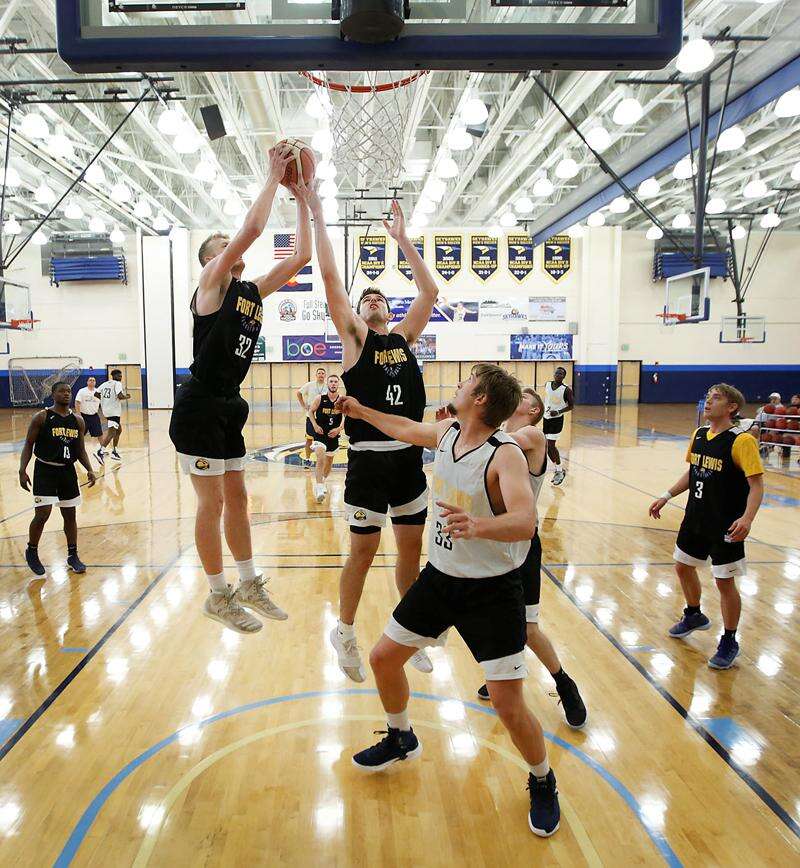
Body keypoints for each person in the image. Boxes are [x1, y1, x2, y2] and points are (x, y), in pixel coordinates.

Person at [339, 364, 561, 838]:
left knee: (508, 706)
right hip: (440, 579)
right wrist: (359, 410)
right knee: (383, 658)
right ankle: (401, 736)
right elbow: (403, 427)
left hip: (492, 592)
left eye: (465, 384)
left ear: (480, 399)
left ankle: (543, 779)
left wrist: (479, 526)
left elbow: (526, 521)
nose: (456, 387)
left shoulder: (505, 456)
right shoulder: (447, 433)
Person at [296, 184, 438, 681]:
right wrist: (316, 211)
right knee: (363, 550)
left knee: (410, 554)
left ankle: (410, 631)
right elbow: (332, 277)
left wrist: (403, 240)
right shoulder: (355, 340)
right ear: (358, 313)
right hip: (370, 461)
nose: (374, 300)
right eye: (367, 298)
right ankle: (346, 630)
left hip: (409, 461)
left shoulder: (403, 338)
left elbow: (430, 292)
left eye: (380, 296)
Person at [168, 145, 308, 634]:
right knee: (213, 504)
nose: (235, 252)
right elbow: (250, 231)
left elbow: (302, 257)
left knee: (240, 500)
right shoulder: (210, 286)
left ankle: (248, 582)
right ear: (211, 260)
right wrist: (272, 177)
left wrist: (305, 199)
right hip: (200, 404)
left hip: (230, 403)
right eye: (223, 248)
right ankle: (217, 594)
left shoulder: (250, 293)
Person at [471, 388, 587, 728]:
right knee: (496, 621)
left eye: (522, 395)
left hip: (521, 544)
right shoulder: (498, 434)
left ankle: (565, 684)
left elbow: (491, 445)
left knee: (527, 628)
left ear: (533, 409)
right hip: (493, 542)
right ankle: (502, 675)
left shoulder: (530, 436)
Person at [649, 384, 764, 670]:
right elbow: (693, 471)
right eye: (708, 398)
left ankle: (729, 640)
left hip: (726, 523)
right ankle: (694, 614)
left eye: (716, 399)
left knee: (724, 582)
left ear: (732, 408)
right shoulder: (699, 435)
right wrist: (666, 496)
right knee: (682, 566)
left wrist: (747, 519)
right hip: (695, 517)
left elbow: (757, 485)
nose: (708, 403)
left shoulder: (741, 441)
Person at [19, 382, 97, 578]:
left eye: (68, 391)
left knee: (70, 515)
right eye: (62, 391)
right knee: (42, 514)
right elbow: (28, 444)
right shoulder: (42, 417)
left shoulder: (77, 420)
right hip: (45, 470)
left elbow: (80, 450)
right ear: (53, 394)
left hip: (67, 471)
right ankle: (32, 550)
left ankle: (72, 555)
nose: (66, 394)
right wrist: (22, 469)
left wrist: (89, 469)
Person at [308, 373, 344, 503]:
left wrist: (339, 429)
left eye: (335, 382)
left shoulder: (342, 400)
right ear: (327, 384)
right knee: (320, 457)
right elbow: (310, 412)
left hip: (333, 436)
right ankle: (318, 487)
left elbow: (347, 417)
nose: (333, 384)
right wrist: (315, 425)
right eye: (331, 382)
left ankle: (322, 481)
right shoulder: (320, 398)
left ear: (338, 384)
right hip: (320, 434)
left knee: (329, 463)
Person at [543, 366, 573, 486]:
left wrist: (559, 411)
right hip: (546, 418)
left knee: (551, 445)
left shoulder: (566, 390)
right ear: (554, 374)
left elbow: (571, 406)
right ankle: (558, 468)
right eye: (557, 373)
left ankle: (560, 470)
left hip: (557, 420)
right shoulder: (547, 384)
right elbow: (547, 400)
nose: (558, 375)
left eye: (561, 374)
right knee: (547, 446)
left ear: (564, 376)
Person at [94, 370, 130, 464]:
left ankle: (114, 451)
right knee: (111, 433)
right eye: (119, 375)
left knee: (119, 430)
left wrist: (105, 401)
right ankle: (100, 451)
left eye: (121, 375)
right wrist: (127, 397)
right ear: (114, 376)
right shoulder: (117, 384)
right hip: (114, 411)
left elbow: (96, 394)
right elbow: (120, 396)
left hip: (107, 411)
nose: (120, 377)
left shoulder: (104, 384)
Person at [297, 367, 327, 468]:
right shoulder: (310, 385)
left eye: (323, 373)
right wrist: (303, 405)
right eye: (319, 373)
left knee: (323, 440)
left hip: (323, 418)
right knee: (309, 439)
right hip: (310, 416)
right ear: (316, 375)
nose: (321, 375)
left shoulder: (327, 387)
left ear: (325, 375)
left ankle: (322, 460)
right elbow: (299, 393)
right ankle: (308, 459)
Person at [74, 376, 103, 454]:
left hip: (94, 416)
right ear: (87, 382)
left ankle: (103, 449)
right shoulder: (82, 391)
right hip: (84, 416)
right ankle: (76, 449)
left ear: (95, 382)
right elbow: (77, 402)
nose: (92, 381)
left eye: (94, 380)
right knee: (80, 434)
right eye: (90, 380)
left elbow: (103, 402)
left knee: (99, 434)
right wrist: (79, 415)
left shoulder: (98, 392)